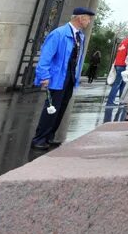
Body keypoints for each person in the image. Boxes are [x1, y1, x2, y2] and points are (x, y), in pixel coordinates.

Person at [31, 8, 93, 149]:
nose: (89, 21)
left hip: (69, 77)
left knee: (61, 108)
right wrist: (44, 75)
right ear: (80, 18)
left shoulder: (80, 36)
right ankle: (39, 139)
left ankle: (49, 136)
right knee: (51, 108)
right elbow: (46, 56)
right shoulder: (59, 33)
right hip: (57, 76)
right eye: (88, 18)